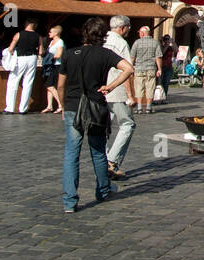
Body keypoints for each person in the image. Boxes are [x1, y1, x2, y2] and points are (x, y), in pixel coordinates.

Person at [57, 16, 134, 213]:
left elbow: (60, 85)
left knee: (71, 153)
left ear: (84, 33)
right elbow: (128, 69)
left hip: (73, 106)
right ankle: (103, 190)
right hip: (96, 106)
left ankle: (69, 201)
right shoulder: (105, 54)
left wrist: (62, 103)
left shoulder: (68, 54)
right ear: (103, 35)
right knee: (98, 151)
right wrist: (110, 86)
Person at [103, 15, 136, 180]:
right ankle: (112, 161)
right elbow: (127, 71)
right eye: (128, 27)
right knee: (127, 124)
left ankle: (102, 160)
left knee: (104, 127)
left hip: (101, 88)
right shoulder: (121, 43)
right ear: (123, 28)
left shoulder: (103, 38)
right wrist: (130, 95)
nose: (129, 30)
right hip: (116, 89)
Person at [3, 18, 43, 114]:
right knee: (28, 83)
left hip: (21, 58)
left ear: (26, 24)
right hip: (32, 58)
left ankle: (10, 108)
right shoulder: (38, 36)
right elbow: (40, 51)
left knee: (13, 82)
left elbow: (11, 48)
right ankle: (23, 109)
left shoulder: (19, 34)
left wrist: (10, 55)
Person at [129, 25, 160, 115]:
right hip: (151, 68)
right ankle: (148, 107)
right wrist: (159, 69)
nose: (139, 34)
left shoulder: (136, 43)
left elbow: (132, 57)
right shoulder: (155, 43)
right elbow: (158, 57)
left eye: (140, 33)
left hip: (138, 69)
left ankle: (139, 108)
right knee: (150, 88)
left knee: (139, 88)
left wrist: (130, 68)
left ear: (142, 33)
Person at [40, 25, 65, 114]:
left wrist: (50, 57)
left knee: (50, 85)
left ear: (56, 33)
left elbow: (59, 54)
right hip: (50, 66)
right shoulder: (51, 42)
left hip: (56, 66)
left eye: (51, 32)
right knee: (49, 87)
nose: (49, 33)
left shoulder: (60, 42)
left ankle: (61, 105)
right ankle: (49, 106)